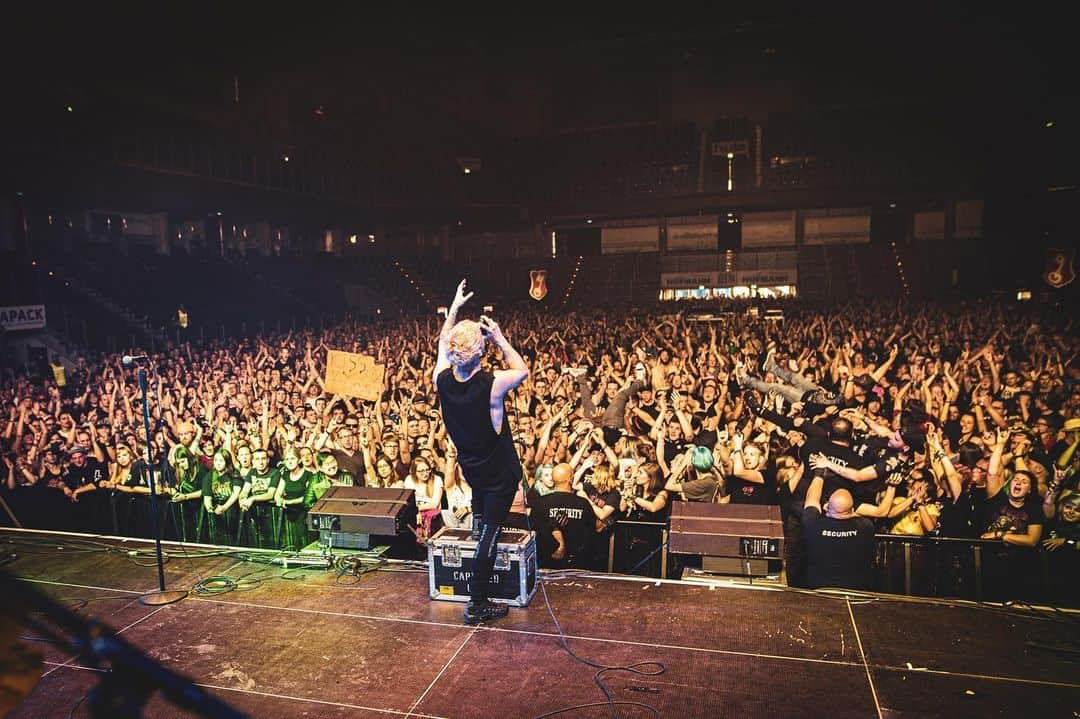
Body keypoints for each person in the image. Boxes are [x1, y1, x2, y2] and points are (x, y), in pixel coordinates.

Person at [433, 279, 528, 625]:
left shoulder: (440, 379)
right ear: (482, 352)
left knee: (479, 514)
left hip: (470, 466)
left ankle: (475, 530)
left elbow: (443, 346)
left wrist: (454, 308)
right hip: (499, 473)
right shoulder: (491, 385)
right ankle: (478, 602)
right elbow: (522, 370)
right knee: (491, 530)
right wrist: (501, 338)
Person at [802, 472, 876, 590]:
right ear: (852, 510)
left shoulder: (813, 524)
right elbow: (855, 514)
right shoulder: (866, 527)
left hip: (819, 590)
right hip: (856, 591)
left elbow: (811, 499)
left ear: (827, 508)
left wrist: (819, 475)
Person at [527, 462, 591, 568]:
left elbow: (534, 533)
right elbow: (590, 534)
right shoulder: (583, 503)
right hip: (576, 564)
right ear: (570, 479)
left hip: (549, 564)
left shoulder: (540, 503)